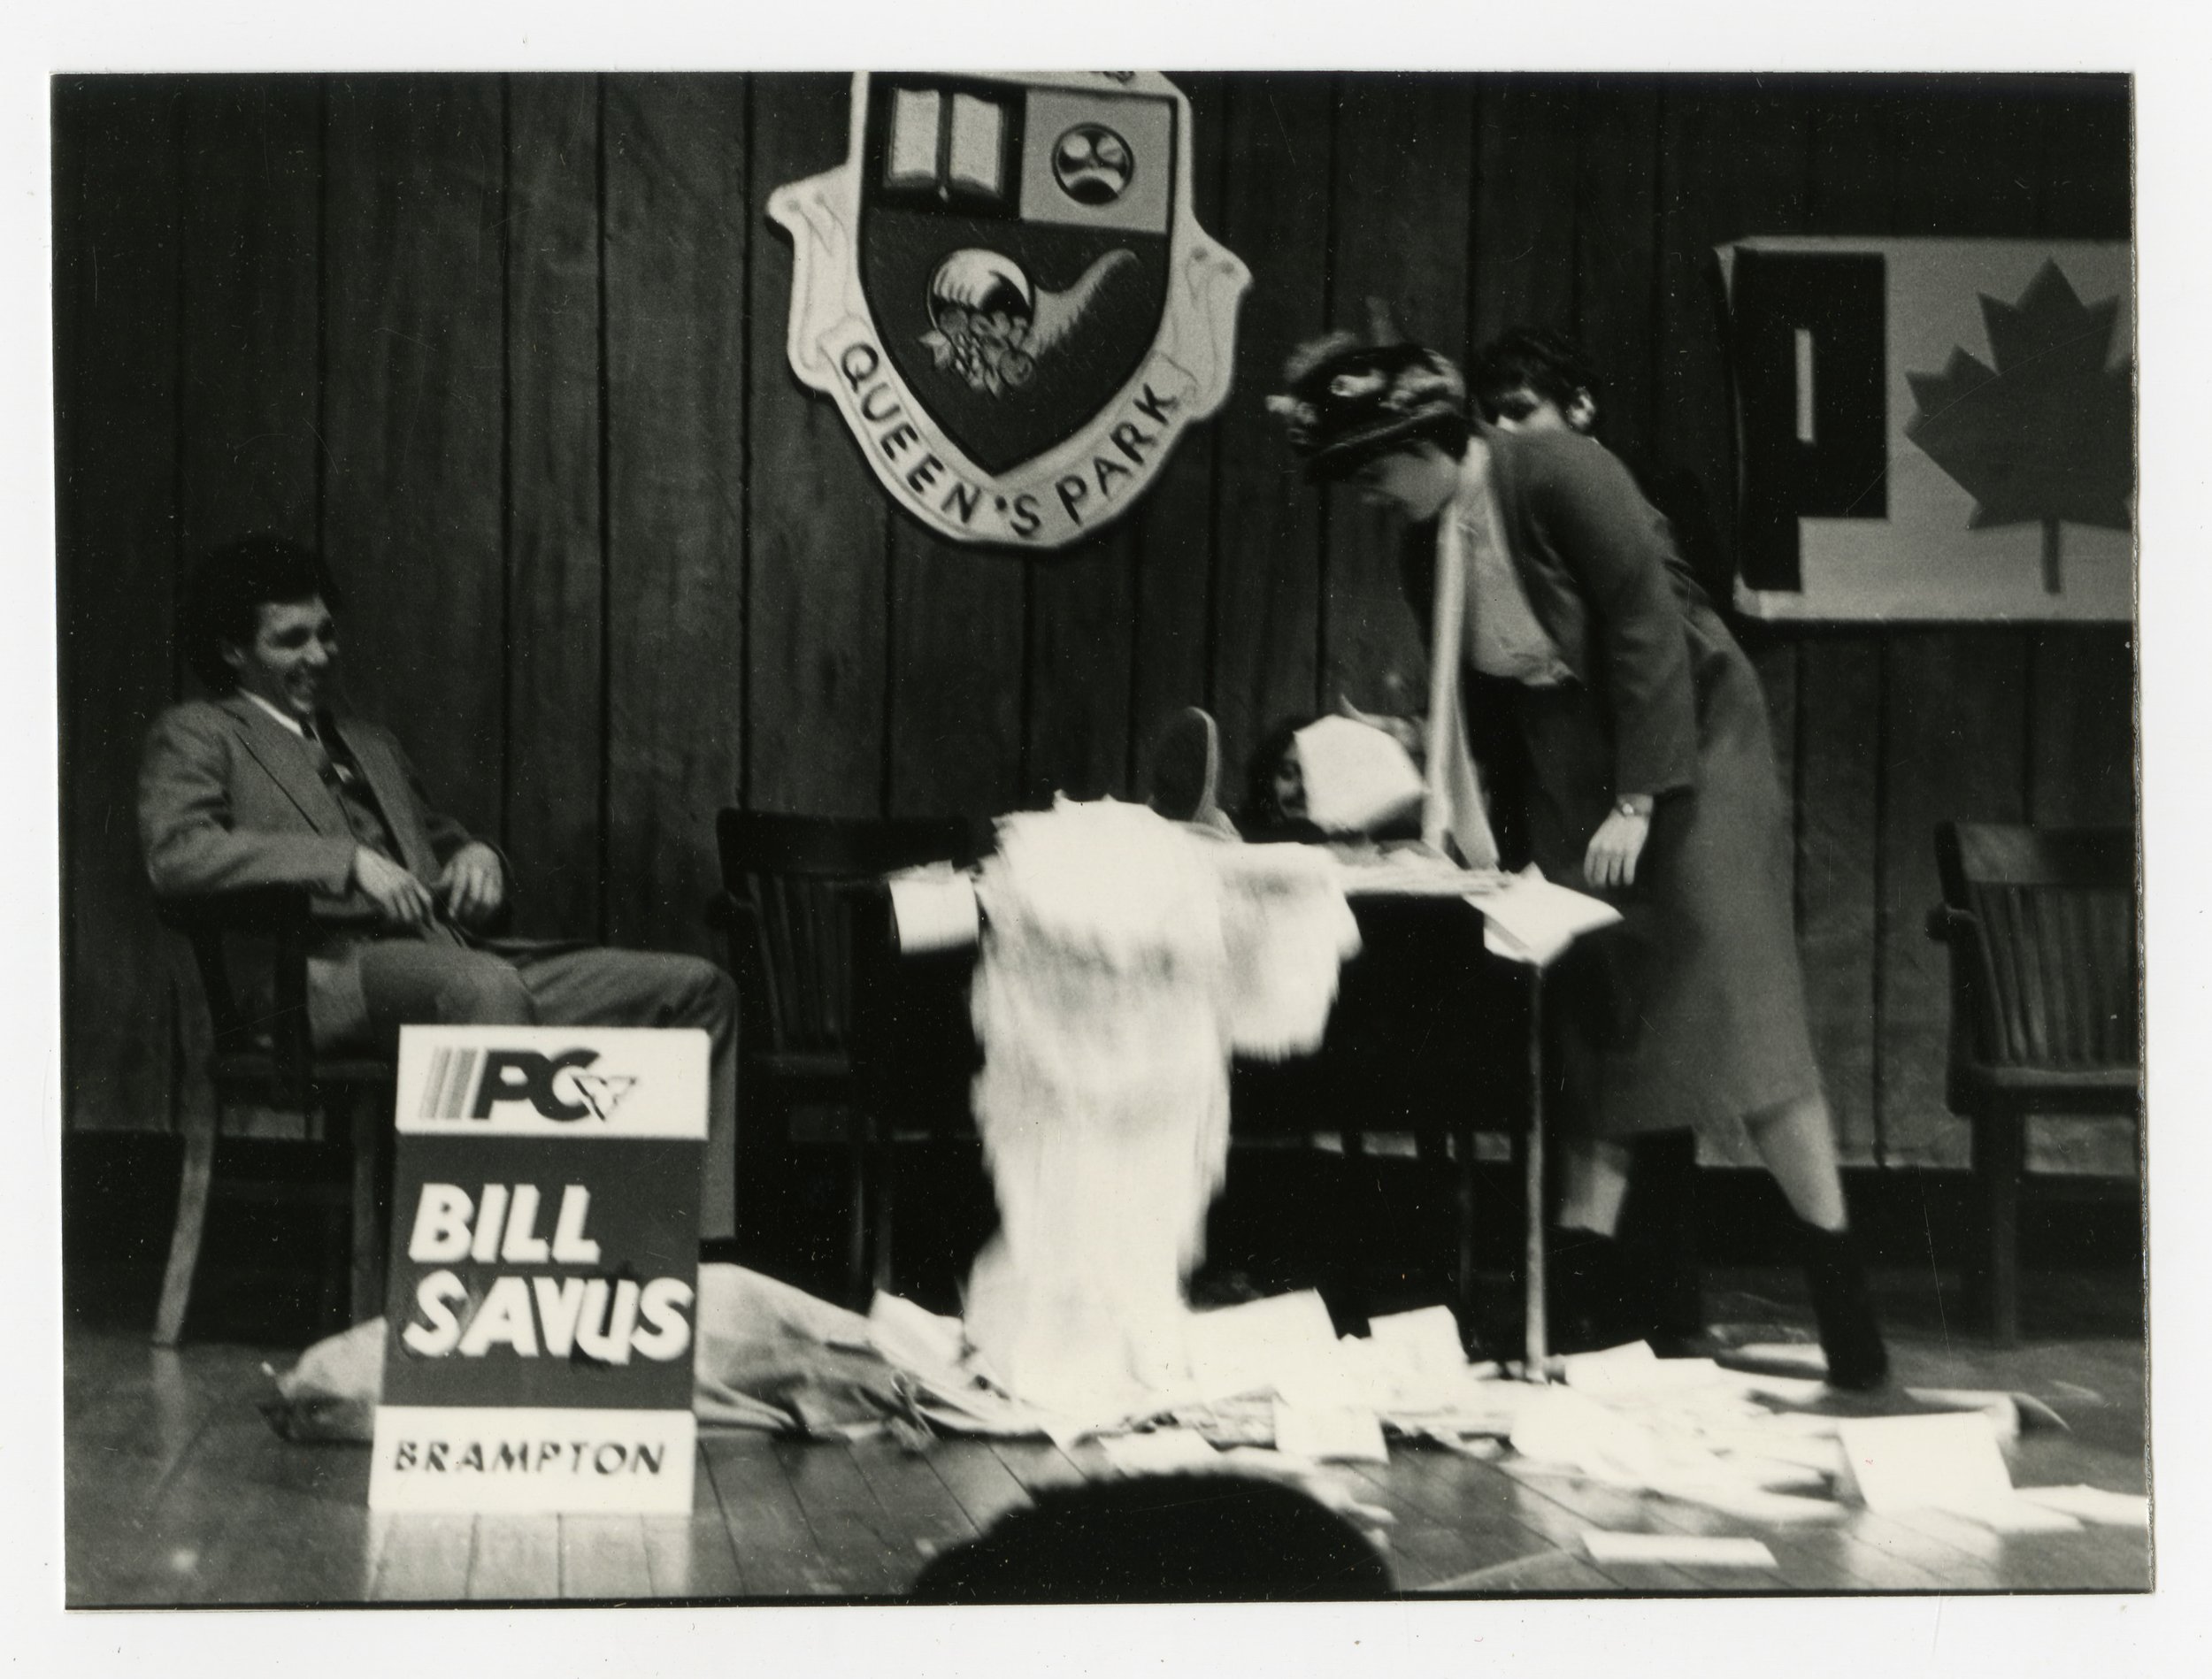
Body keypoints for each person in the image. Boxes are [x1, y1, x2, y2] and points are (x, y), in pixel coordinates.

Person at [1268, 332, 1888, 1392]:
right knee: (1600, 1022)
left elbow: (1648, 626)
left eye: (1375, 470)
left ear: (1426, 437)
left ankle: (1847, 1314)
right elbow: (1473, 702)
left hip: (1686, 749)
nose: (1371, 495)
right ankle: (1584, 1303)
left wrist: (1642, 797)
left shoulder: (1556, 470)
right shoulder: (1425, 541)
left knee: (1743, 1013)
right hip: (1568, 766)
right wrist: (1468, 833)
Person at [136, 536, 741, 1243]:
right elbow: (177, 855)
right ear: (233, 652)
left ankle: (698, 1252)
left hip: (454, 959)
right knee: (487, 990)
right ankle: (497, 1260)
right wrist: (344, 863)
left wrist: (481, 858)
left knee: (698, 989)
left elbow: (434, 839)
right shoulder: (201, 733)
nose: (320, 656)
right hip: (320, 978)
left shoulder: (368, 742)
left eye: (327, 634)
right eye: (291, 640)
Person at [1468, 326, 1733, 612]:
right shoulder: (1493, 498)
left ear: (1580, 407)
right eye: (1491, 416)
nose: (1501, 430)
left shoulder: (1663, 489)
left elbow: (1705, 614)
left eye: (1519, 411)